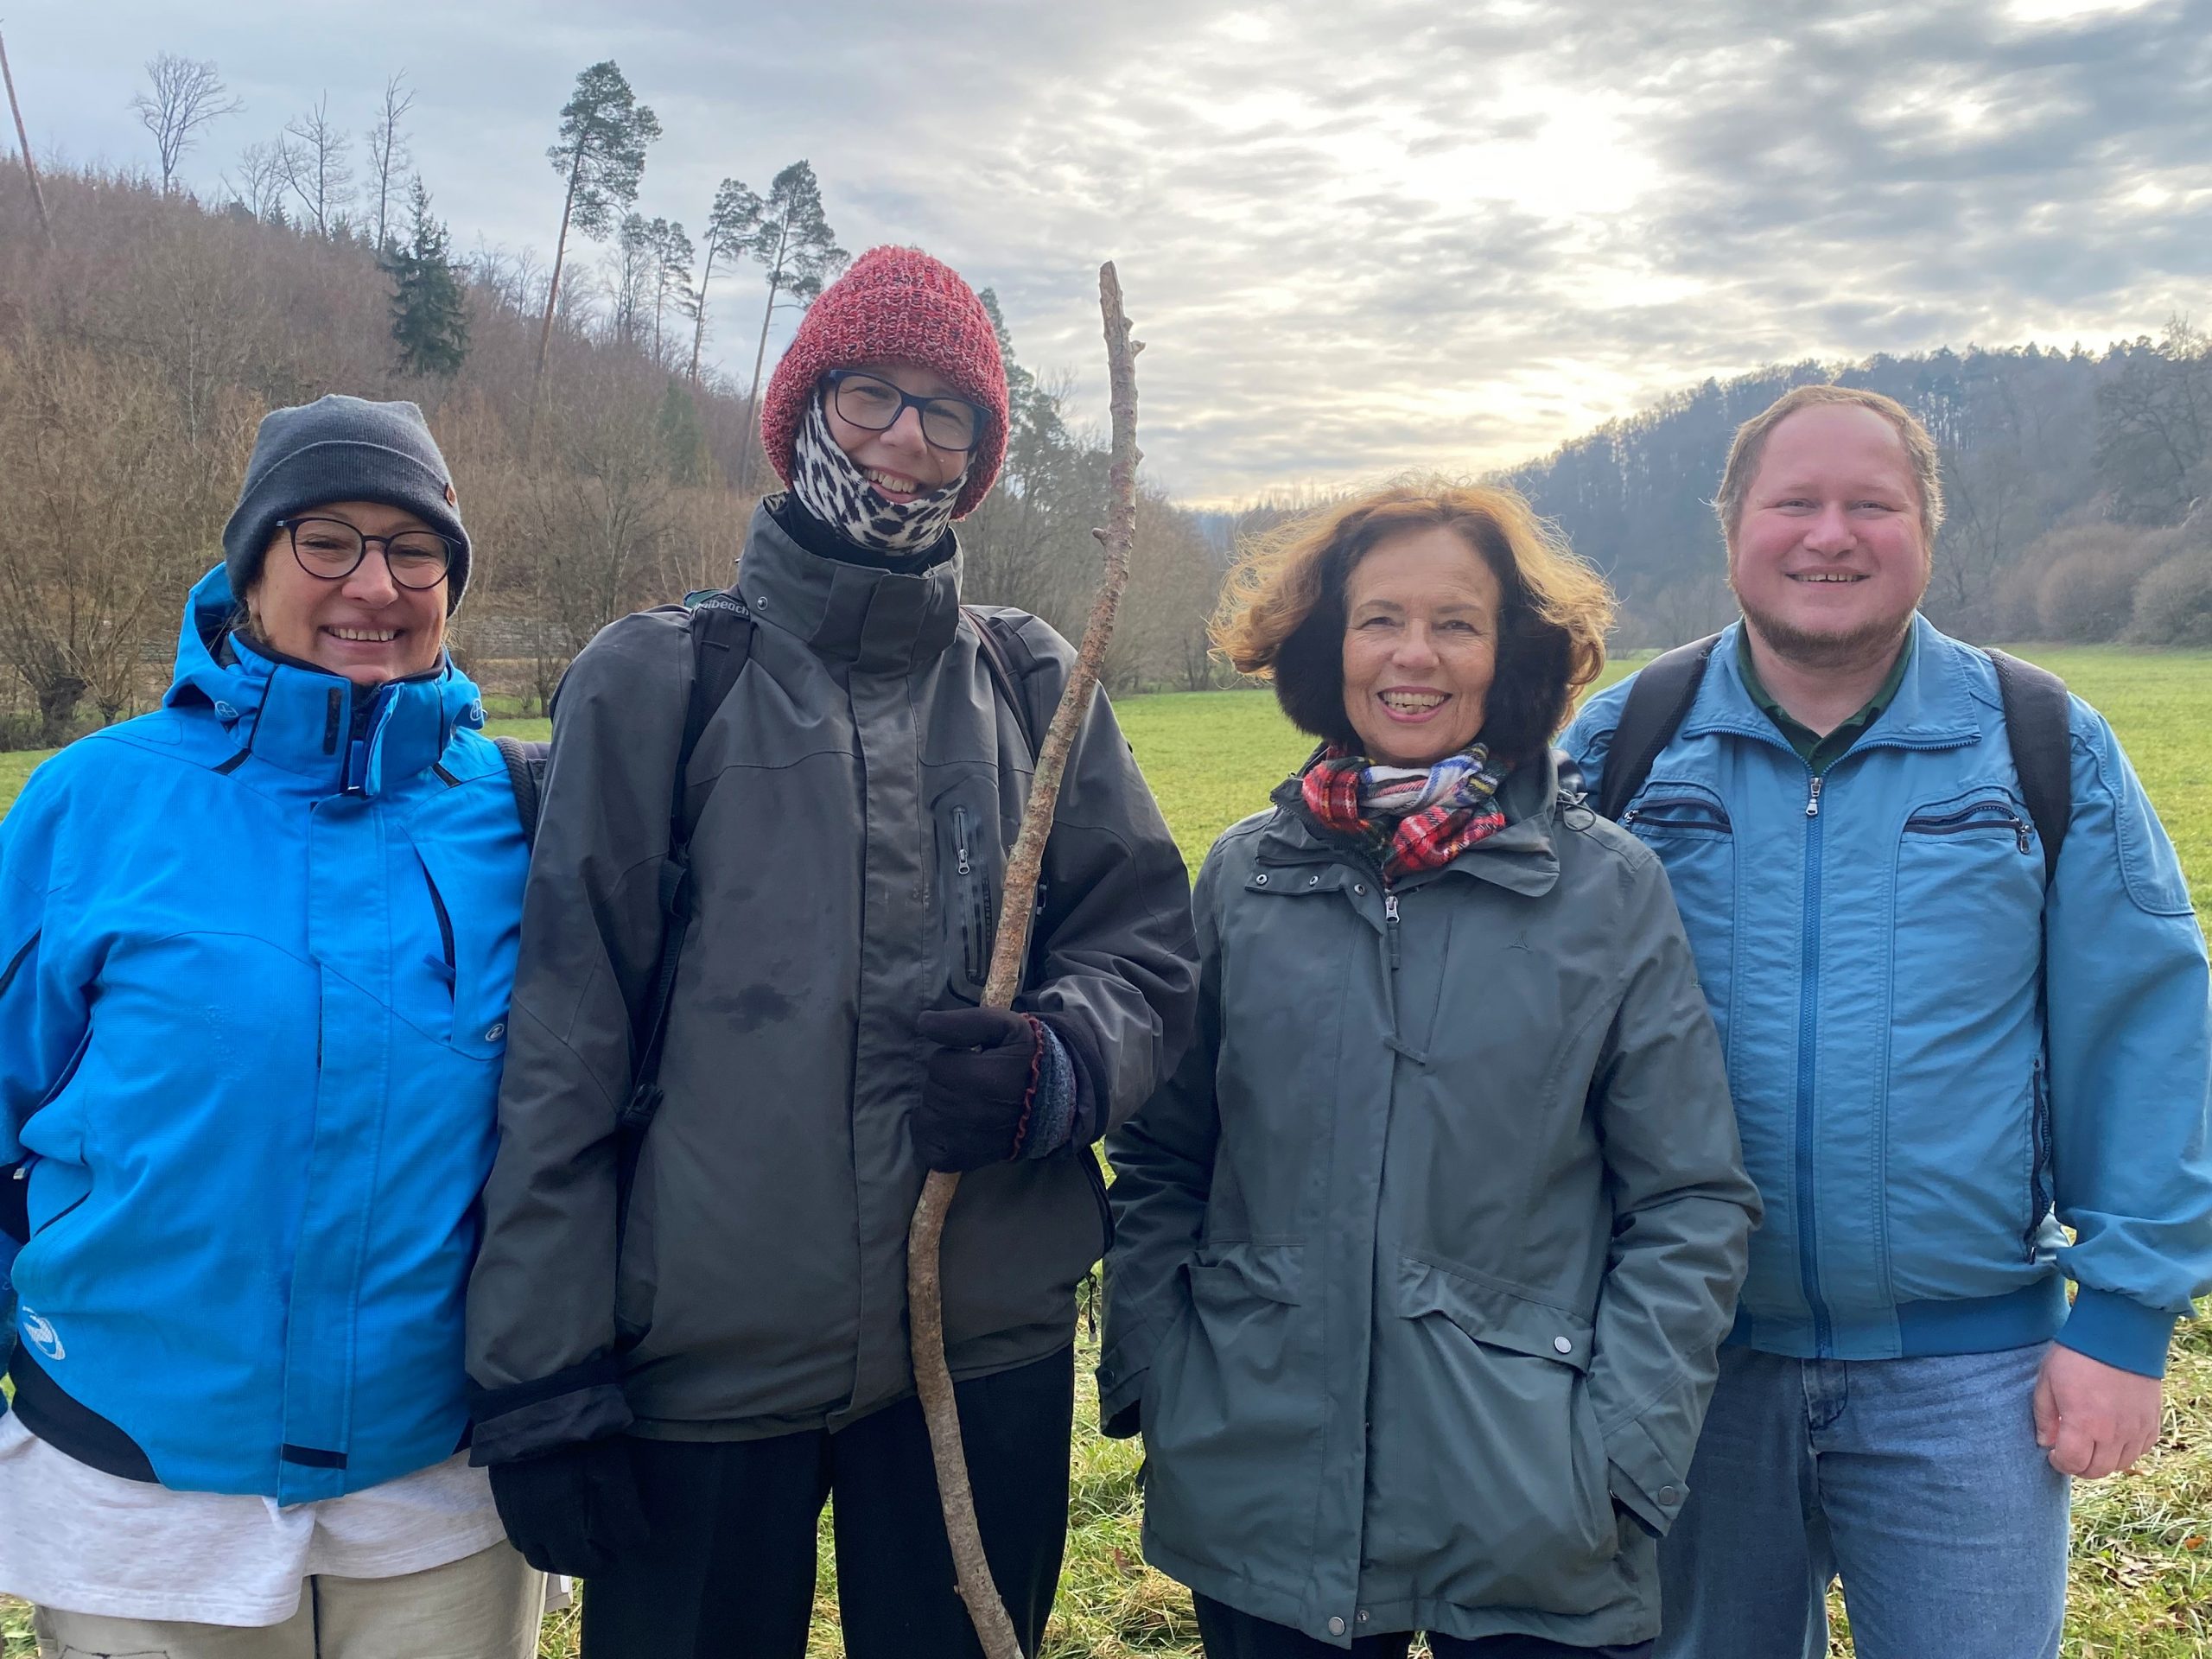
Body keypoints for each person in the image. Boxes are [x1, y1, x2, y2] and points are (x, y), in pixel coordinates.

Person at [463, 245, 1199, 1659]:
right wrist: (541, 1376)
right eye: (873, 396)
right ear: (805, 408)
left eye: (948, 412)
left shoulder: (1033, 679)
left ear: (979, 454)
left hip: (978, 1343)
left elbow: (1150, 953)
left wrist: (1058, 1066)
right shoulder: (659, 679)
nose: (907, 439)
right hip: (700, 1365)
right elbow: (564, 1041)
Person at [1563, 384, 2212, 1659]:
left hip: (1969, 1379)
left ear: (1927, 528)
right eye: (1793, 502)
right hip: (1682, 1362)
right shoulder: (1624, 743)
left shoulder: (2040, 742)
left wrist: (2126, 1317)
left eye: (1873, 504)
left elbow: (2144, 1032)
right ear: (1731, 525)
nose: (1830, 534)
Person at [1101, 481, 1760, 1659]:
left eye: (1457, 623)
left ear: (1512, 653)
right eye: (1380, 620)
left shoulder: (1607, 891)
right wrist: (1162, 1378)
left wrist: (1619, 1458)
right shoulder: (1246, 880)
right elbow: (1163, 1156)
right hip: (1259, 1486)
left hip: (1531, 1505)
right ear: (1329, 645)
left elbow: (1690, 1199)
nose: (1415, 655)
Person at [0, 395, 545, 1657]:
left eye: (415, 551)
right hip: (141, 1493)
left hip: (440, 1490)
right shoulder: (93, 803)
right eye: (327, 541)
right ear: (251, 570)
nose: (375, 585)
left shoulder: (526, 817)